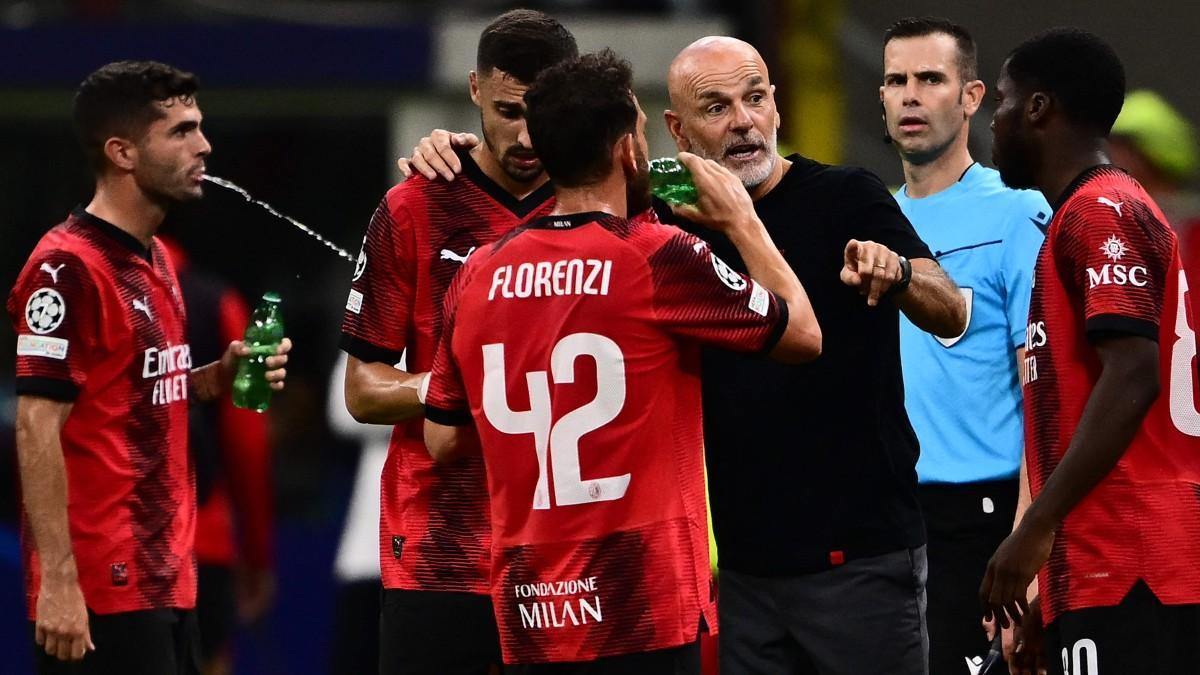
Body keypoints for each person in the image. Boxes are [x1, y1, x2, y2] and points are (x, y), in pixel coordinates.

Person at [400, 35, 967, 675]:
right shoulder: (660, 232)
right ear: (671, 130)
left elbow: (951, 308)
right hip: (733, 572)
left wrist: (897, 276)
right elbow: (578, 177)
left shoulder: (847, 195)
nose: (744, 121)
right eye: (717, 107)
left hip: (857, 555)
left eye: (755, 99)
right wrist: (456, 156)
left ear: (777, 106)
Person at [422, 48, 821, 673]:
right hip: (644, 604)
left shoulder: (477, 273)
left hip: (532, 608)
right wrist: (744, 223)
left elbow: (442, 439)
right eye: (640, 132)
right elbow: (802, 333)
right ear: (626, 152)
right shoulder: (656, 256)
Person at [6, 60, 291, 675]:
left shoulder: (156, 258)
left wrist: (214, 377)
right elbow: (36, 426)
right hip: (101, 591)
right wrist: (58, 582)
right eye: (182, 131)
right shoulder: (67, 270)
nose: (204, 145)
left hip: (170, 578)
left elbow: (123, 394)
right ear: (123, 152)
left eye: (200, 127)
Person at [338, 10, 577, 674]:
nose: (528, 135)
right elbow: (363, 388)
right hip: (442, 562)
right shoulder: (415, 207)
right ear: (474, 89)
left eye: (545, 111)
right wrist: (461, 386)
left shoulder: (605, 201)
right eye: (507, 111)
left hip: (573, 562)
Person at [981, 28, 1200, 674]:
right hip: (1110, 562)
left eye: (1002, 100)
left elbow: (1133, 375)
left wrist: (1033, 531)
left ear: (1039, 109)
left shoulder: (1099, 213)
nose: (993, 120)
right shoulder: (1091, 214)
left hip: (1135, 563)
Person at [879, 17, 1048, 673]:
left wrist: (1030, 542)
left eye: (931, 79)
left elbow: (1045, 391)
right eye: (897, 80)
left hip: (983, 519)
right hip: (890, 521)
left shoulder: (1016, 212)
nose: (911, 95)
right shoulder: (875, 216)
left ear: (972, 96)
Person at [160, 237, 276, 675]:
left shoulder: (86, 286)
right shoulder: (216, 300)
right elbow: (247, 444)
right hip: (200, 543)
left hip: (108, 550)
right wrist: (257, 557)